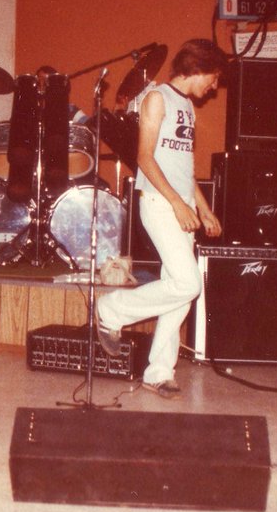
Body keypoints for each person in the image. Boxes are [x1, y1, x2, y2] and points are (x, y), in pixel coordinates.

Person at [94, 39, 227, 399]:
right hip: (159, 203)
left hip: (180, 205)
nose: (213, 87)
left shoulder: (186, 106)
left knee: (179, 292)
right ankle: (110, 310)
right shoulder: (158, 99)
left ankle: (158, 371)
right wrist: (178, 204)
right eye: (212, 79)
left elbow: (184, 167)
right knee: (188, 284)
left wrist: (201, 205)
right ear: (197, 69)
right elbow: (145, 159)